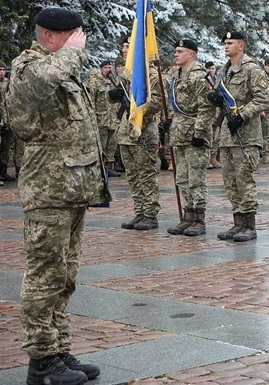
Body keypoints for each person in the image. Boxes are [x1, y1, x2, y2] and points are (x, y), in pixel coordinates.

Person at [6, 7, 111, 385]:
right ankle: (41, 361)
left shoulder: (60, 65)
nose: (80, 44)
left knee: (65, 276)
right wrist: (71, 54)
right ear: (51, 36)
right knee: (44, 276)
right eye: (75, 36)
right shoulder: (28, 66)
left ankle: (59, 350)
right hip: (48, 189)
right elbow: (34, 92)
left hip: (71, 187)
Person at [214, 31, 269, 242]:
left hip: (245, 135)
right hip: (227, 135)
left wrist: (242, 115)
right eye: (225, 43)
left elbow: (264, 99)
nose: (226, 46)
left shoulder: (252, 70)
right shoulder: (223, 71)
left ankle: (249, 225)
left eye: (230, 43)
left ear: (241, 45)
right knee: (230, 181)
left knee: (245, 180)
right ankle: (237, 223)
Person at [110, 36, 162, 230]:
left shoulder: (150, 75)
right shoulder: (127, 73)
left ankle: (150, 214)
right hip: (125, 131)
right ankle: (139, 212)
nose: (125, 50)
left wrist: (137, 110)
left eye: (128, 46)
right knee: (132, 175)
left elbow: (156, 102)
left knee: (146, 174)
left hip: (143, 131)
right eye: (123, 46)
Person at [165, 39, 215, 236]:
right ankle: (188, 216)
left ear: (191, 54)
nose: (176, 54)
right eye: (175, 51)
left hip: (195, 134)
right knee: (183, 178)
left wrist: (199, 132)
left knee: (196, 178)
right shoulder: (176, 75)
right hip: (180, 133)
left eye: (180, 51)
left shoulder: (199, 77)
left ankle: (199, 219)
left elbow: (207, 107)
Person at [89, 60, 122, 177]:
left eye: (110, 67)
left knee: (112, 143)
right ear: (101, 69)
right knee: (101, 143)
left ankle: (110, 166)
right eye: (106, 68)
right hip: (101, 117)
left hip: (114, 117)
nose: (108, 70)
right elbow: (91, 99)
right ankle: (100, 167)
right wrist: (91, 115)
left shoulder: (115, 82)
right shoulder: (95, 82)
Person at [0, 59, 16, 183]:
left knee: (5, 146)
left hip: (7, 119)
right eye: (0, 70)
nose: (2, 72)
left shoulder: (8, 83)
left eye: (4, 70)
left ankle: (3, 172)